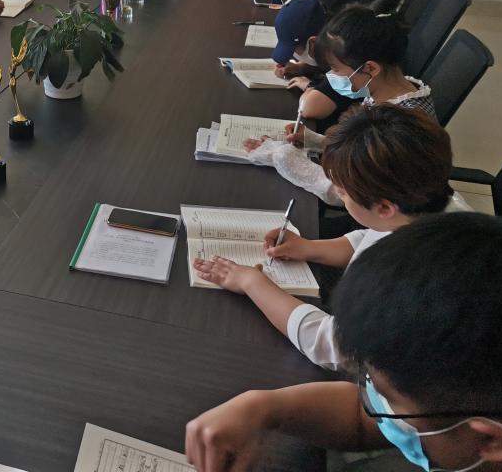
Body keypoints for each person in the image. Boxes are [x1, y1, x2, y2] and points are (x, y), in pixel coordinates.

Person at [185, 212, 502, 472]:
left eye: (388, 398)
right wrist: (264, 407)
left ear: (489, 442)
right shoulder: (464, 407)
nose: (374, 400)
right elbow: (367, 420)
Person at [193, 105, 454, 371]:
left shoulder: (411, 276)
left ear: (384, 207)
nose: (340, 196)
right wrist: (309, 248)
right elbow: (371, 236)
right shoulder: (422, 209)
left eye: (342, 193)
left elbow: (333, 347)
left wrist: (252, 282)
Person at [247, 2, 435, 205]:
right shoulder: (390, 92)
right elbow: (365, 150)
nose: (331, 75)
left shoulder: (400, 127)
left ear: (370, 69)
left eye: (335, 69)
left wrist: (286, 160)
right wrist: (317, 141)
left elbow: (359, 197)